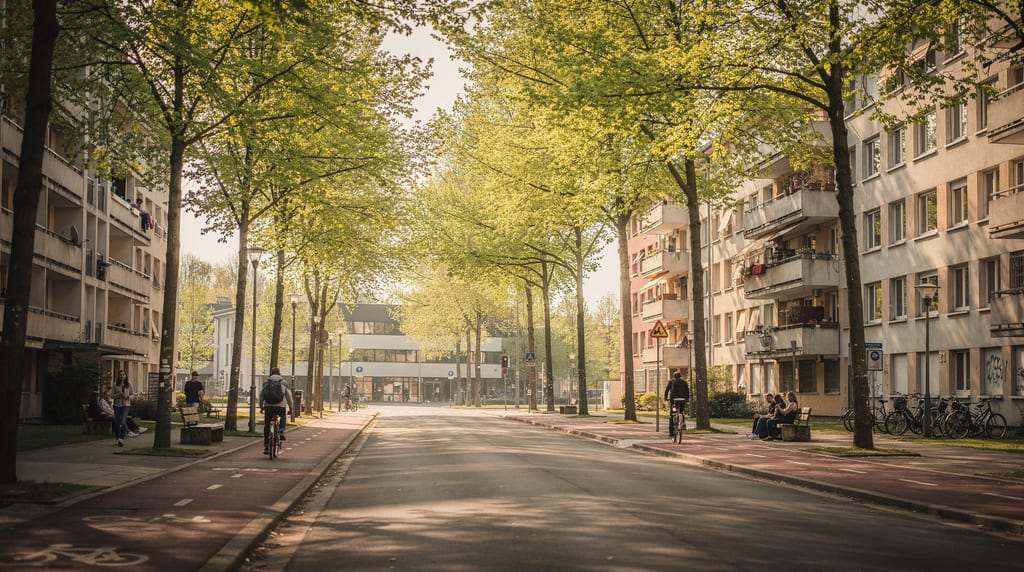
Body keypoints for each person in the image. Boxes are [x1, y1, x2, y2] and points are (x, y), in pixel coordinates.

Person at [260, 367, 293, 455]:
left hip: (268, 406)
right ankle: (281, 430)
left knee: (267, 424)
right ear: (279, 373)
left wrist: (261, 406)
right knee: (283, 416)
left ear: (271, 373)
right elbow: (288, 397)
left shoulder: (266, 383)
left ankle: (267, 446)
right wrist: (291, 408)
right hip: (280, 406)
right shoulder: (283, 382)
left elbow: (261, 395)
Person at [664, 372, 690, 437]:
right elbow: (687, 391)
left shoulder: (671, 382)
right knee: (681, 411)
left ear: (674, 376)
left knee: (672, 414)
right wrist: (687, 398)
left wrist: (666, 397)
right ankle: (683, 422)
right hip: (682, 400)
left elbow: (667, 390)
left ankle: (671, 432)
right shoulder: (684, 382)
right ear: (680, 376)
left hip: (674, 401)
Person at [111, 370, 132, 447]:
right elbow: (112, 395)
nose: (122, 376)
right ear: (118, 376)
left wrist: (128, 397)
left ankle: (123, 437)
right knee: (117, 422)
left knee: (123, 421)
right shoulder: (115, 384)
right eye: (120, 375)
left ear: (126, 376)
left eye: (123, 375)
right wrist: (119, 394)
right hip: (117, 405)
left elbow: (133, 395)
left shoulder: (129, 384)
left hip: (126, 405)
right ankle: (118, 439)